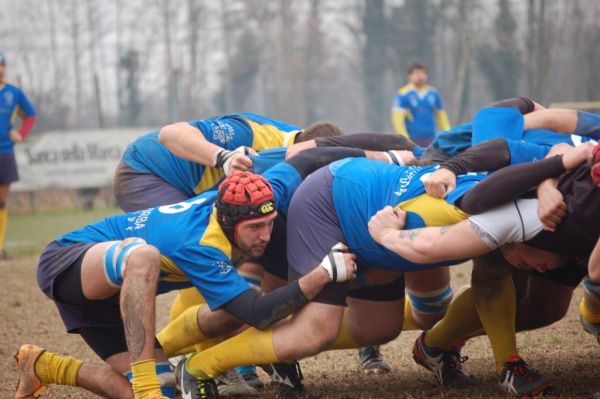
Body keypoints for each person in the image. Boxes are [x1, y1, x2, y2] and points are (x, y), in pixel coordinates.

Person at [14, 147, 385, 399]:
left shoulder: (258, 192)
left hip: (111, 300)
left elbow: (310, 158)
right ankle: (147, 387)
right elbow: (258, 315)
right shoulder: (201, 245)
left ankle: (43, 365)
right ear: (227, 221)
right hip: (69, 262)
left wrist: (389, 156)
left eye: (270, 223)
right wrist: (321, 274)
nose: (265, 235)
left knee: (174, 380)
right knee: (144, 256)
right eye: (255, 228)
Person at [367, 143, 597, 396]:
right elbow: (512, 121)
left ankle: (435, 345)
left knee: (547, 309)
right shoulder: (498, 207)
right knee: (496, 264)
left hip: (547, 208)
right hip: (477, 184)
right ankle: (507, 364)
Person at [0, 51, 36, 260]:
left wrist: (20, 133)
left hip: (5, 151)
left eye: (2, 64)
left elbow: (30, 114)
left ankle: (1, 248)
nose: (0, 68)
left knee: (2, 201)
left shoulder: (13, 92)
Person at [391, 62, 451, 147]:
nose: (420, 76)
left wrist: (448, 134)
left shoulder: (433, 93)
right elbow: (397, 119)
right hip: (412, 139)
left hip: (431, 138)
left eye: (423, 73)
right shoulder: (403, 94)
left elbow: (442, 116)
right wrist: (404, 139)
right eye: (417, 73)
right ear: (410, 76)